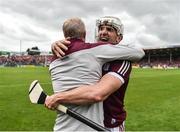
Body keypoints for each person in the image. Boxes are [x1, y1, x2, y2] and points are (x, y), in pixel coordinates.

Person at [46, 17, 144, 131]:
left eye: (110, 29)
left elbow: (97, 93)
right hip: (85, 123)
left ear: (119, 38)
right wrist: (56, 44)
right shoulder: (91, 52)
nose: (103, 32)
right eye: (101, 28)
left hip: (110, 124)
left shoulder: (122, 62)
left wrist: (58, 97)